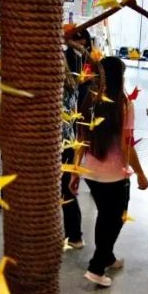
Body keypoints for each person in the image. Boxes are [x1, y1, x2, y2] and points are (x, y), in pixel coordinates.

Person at [71, 57, 147, 287]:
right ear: (120, 76)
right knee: (115, 219)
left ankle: (108, 256)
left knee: (106, 216)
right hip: (114, 175)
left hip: (91, 173)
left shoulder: (89, 99)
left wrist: (76, 172)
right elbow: (126, 145)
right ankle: (96, 268)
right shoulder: (123, 104)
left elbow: (81, 138)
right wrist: (141, 174)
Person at [62, 41, 84, 249]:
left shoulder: (54, 85)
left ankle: (74, 235)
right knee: (66, 189)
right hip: (68, 141)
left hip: (54, 146)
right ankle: (74, 234)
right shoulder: (71, 83)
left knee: (61, 190)